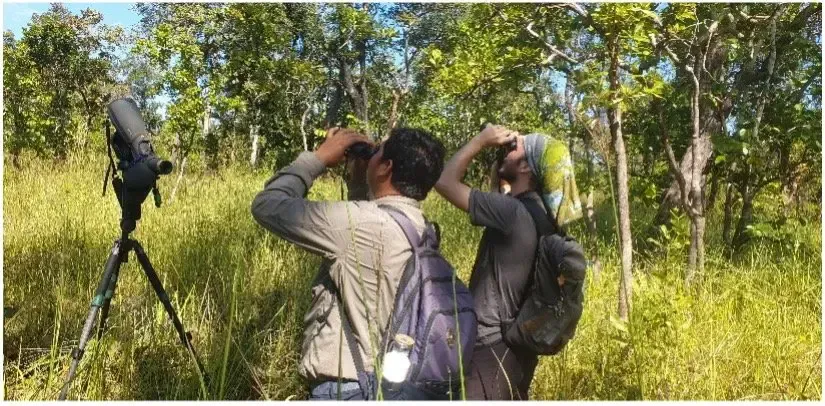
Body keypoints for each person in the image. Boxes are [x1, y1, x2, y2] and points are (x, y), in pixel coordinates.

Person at [251, 126, 446, 400]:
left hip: (347, 389)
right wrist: (360, 182)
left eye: (377, 152)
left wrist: (318, 158)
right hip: (392, 384)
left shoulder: (362, 224)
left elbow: (267, 205)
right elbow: (362, 250)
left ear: (386, 167)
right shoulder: (423, 229)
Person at [434, 124, 582, 400]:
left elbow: (444, 180)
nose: (505, 151)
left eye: (514, 148)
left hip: (487, 347)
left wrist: (481, 141)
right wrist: (501, 165)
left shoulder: (511, 213)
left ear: (526, 168)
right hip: (516, 347)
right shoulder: (542, 217)